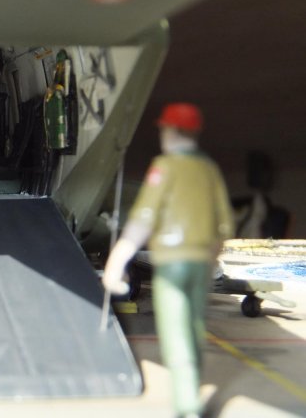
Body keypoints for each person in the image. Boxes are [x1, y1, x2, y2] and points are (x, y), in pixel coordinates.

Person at [102, 102, 233, 418]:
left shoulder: (165, 167)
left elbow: (143, 219)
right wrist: (211, 260)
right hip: (201, 261)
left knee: (175, 330)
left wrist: (116, 261)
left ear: (171, 131)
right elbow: (224, 224)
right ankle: (193, 387)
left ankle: (187, 405)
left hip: (173, 263)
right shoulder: (209, 170)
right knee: (194, 325)